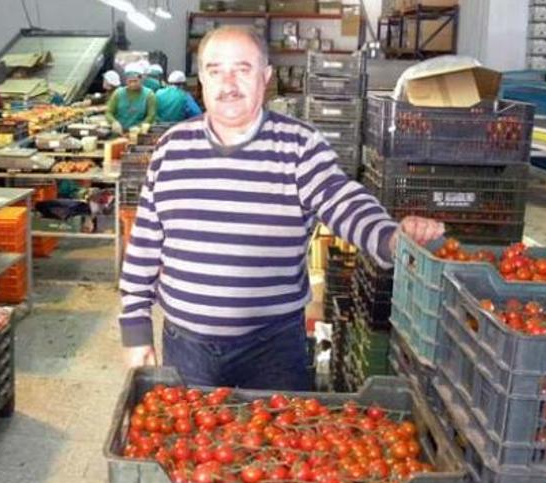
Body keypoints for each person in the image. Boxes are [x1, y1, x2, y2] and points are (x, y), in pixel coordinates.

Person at [118, 26, 445, 390]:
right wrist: (135, 331)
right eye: (215, 70)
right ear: (202, 80)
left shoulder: (300, 147)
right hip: (186, 346)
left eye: (242, 69)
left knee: (278, 444)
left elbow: (343, 201)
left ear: (266, 77)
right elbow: (144, 247)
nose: (228, 83)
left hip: (271, 349)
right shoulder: (171, 149)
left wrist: (390, 237)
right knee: (194, 443)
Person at [105, 63, 157, 135]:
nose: (132, 84)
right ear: (126, 80)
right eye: (130, 81)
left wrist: (139, 127)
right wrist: (114, 122)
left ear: (141, 79)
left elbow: (151, 115)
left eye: (135, 81)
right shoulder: (118, 93)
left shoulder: (149, 95)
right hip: (119, 133)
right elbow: (109, 112)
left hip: (139, 134)